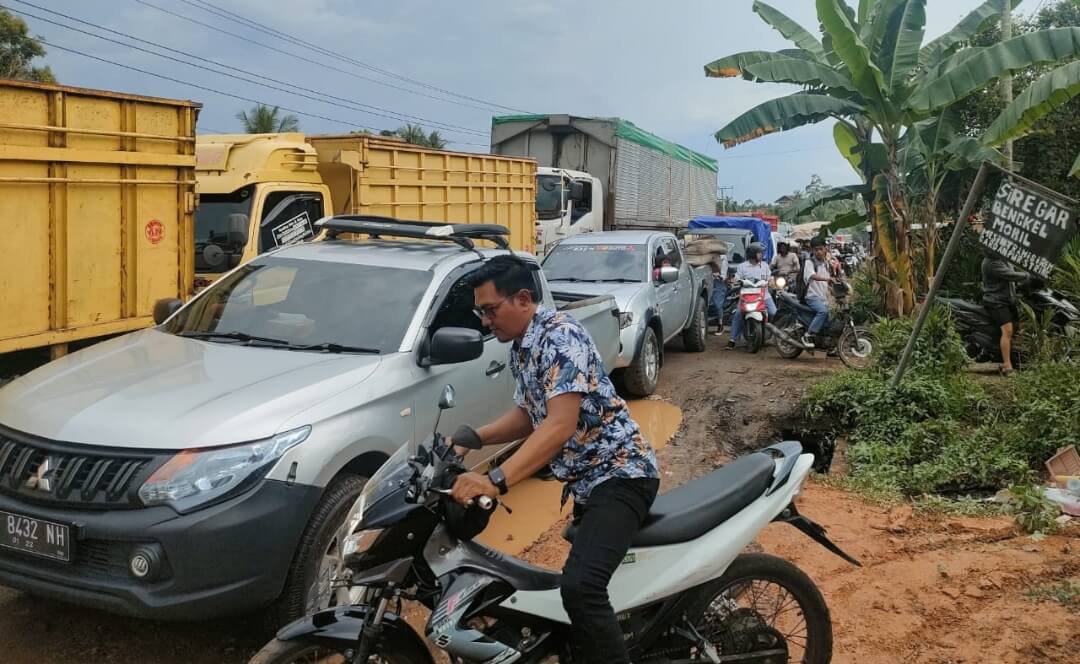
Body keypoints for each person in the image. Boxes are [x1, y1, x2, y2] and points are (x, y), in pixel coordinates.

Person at [450, 255, 660, 664]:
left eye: (490, 310)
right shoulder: (523, 345)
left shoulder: (561, 337)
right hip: (588, 481)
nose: (485, 321)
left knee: (581, 588)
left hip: (621, 474)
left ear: (523, 299)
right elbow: (531, 414)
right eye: (481, 312)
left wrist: (495, 479)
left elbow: (559, 425)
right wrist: (474, 437)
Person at [981, 253, 1029, 375]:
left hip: (1007, 300)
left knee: (1016, 327)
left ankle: (1003, 354)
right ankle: (1007, 365)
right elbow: (1010, 275)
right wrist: (1027, 276)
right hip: (996, 301)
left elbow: (1016, 268)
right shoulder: (992, 262)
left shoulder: (1003, 258)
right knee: (1007, 331)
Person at [726, 242, 776, 350]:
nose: (761, 255)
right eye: (759, 253)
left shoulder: (765, 266)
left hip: (764, 295)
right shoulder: (742, 267)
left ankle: (775, 337)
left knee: (774, 312)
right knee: (738, 314)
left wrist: (771, 281)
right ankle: (732, 340)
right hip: (746, 295)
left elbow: (770, 278)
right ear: (753, 254)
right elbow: (737, 278)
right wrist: (736, 281)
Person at [802, 237, 833, 348]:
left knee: (829, 322)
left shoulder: (826, 263)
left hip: (823, 297)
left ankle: (828, 347)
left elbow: (828, 280)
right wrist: (827, 280)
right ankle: (808, 334)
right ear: (812, 251)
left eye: (821, 249)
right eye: (816, 250)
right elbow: (813, 276)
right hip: (812, 296)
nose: (819, 252)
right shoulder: (809, 262)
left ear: (825, 249)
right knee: (823, 312)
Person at [708, 254, 729, 335]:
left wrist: (718, 275)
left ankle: (720, 325)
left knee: (717, 304)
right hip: (707, 282)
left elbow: (723, 275)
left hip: (718, 283)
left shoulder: (723, 258)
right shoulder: (706, 257)